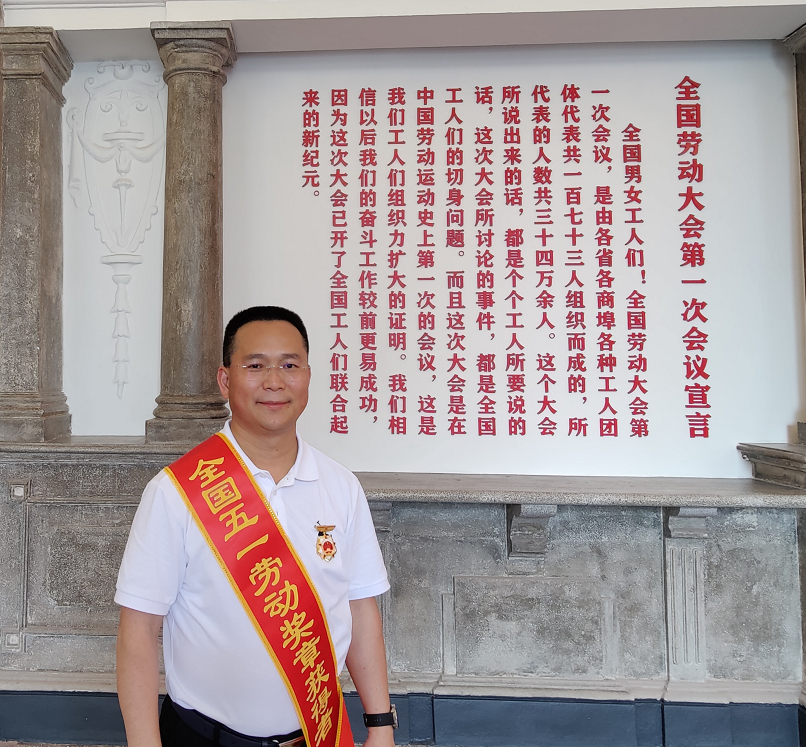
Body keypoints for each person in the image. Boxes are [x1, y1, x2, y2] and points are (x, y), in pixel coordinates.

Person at [115, 306, 395, 747]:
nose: (274, 382)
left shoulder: (341, 486)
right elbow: (138, 629)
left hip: (318, 734)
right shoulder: (176, 492)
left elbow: (360, 608)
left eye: (289, 365)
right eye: (256, 366)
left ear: (308, 376)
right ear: (225, 380)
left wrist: (380, 725)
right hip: (202, 738)